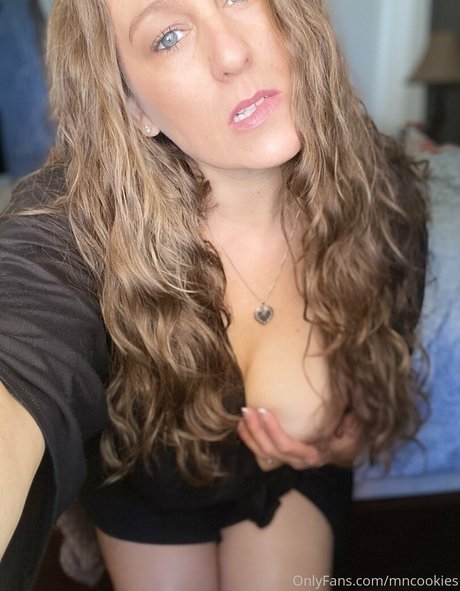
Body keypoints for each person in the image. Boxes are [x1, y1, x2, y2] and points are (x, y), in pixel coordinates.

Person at [0, 0, 429, 590]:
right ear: (133, 106)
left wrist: (339, 442)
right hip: (145, 487)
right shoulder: (79, 229)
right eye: (168, 37)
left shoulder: (380, 196)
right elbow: (21, 342)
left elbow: (380, 397)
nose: (231, 53)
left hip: (287, 481)